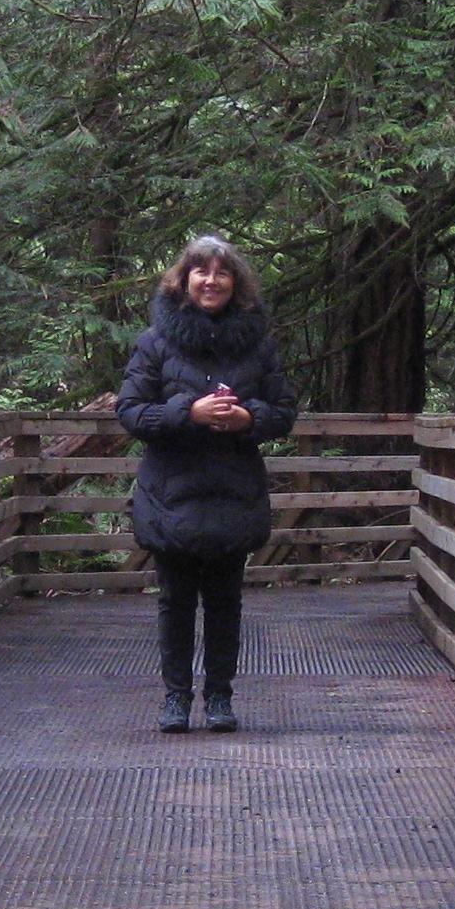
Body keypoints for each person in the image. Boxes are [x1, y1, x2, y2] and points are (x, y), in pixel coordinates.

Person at [115, 234, 299, 731]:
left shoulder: (258, 346)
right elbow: (130, 411)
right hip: (172, 493)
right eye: (201, 272)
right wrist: (187, 411)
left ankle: (219, 697)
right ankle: (176, 698)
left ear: (234, 283)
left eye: (221, 272)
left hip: (232, 490)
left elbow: (284, 412)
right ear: (184, 280)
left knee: (225, 603)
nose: (211, 281)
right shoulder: (155, 343)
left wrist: (247, 418)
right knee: (174, 602)